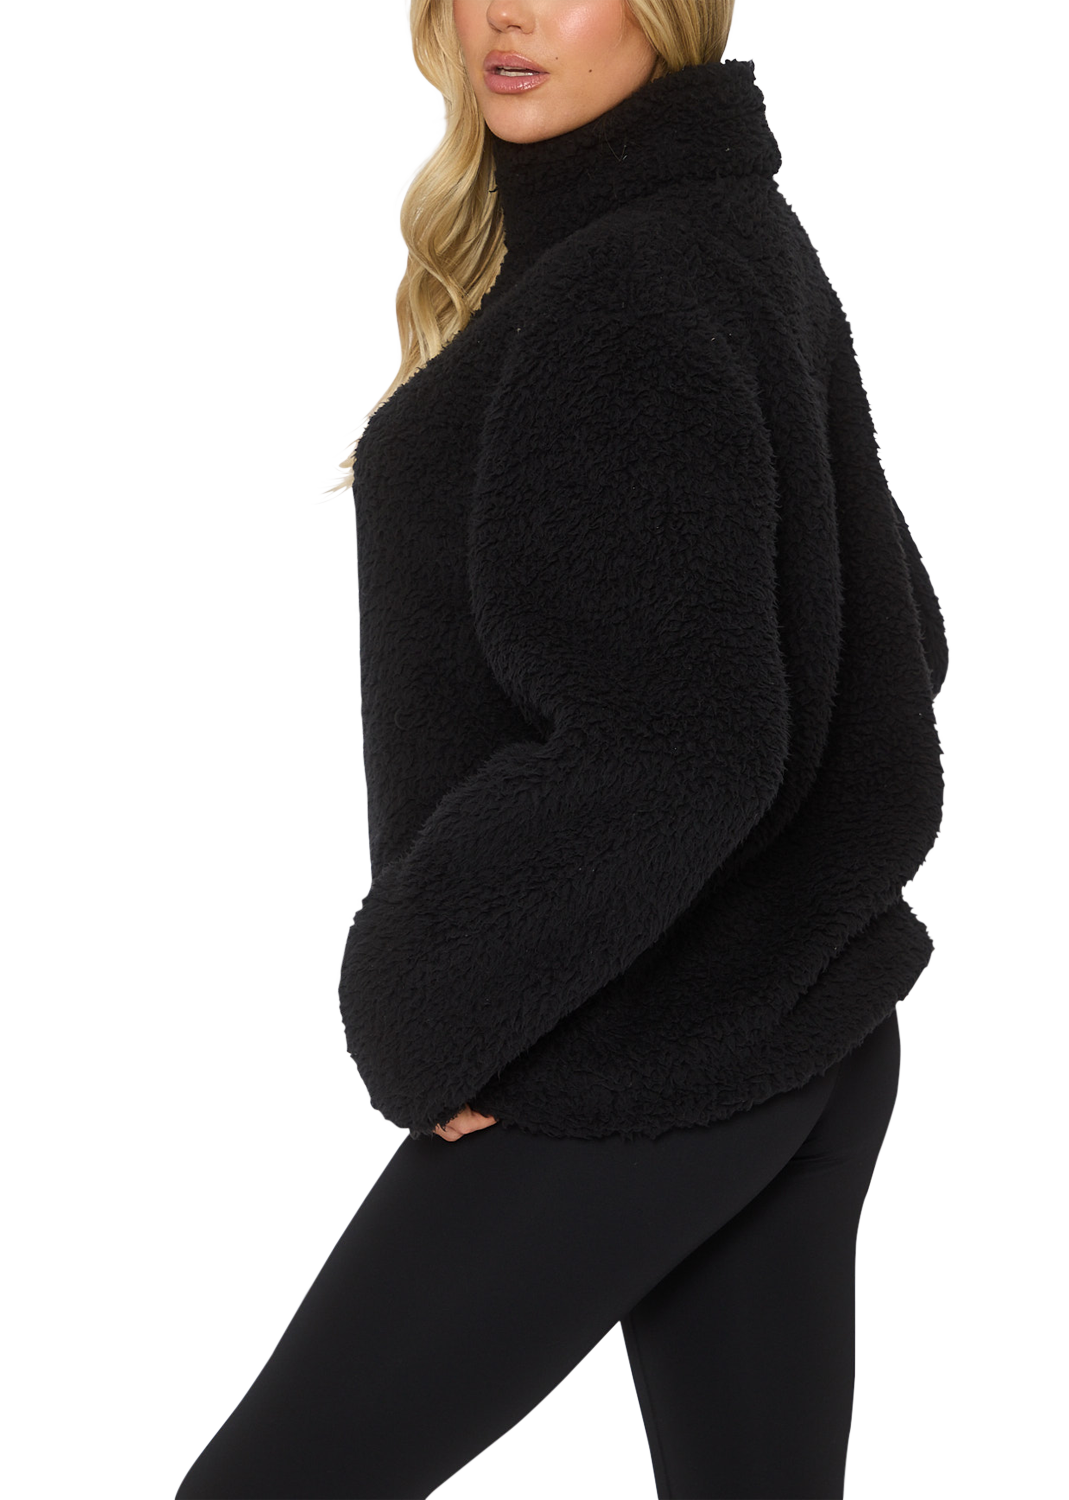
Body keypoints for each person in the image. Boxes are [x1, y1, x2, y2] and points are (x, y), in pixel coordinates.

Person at [174, 1, 948, 1496]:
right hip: (799, 1026)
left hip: (640, 1047)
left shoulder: (624, 286)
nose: (508, 14)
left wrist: (440, 1004)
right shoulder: (728, 238)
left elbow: (682, 741)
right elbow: (894, 635)